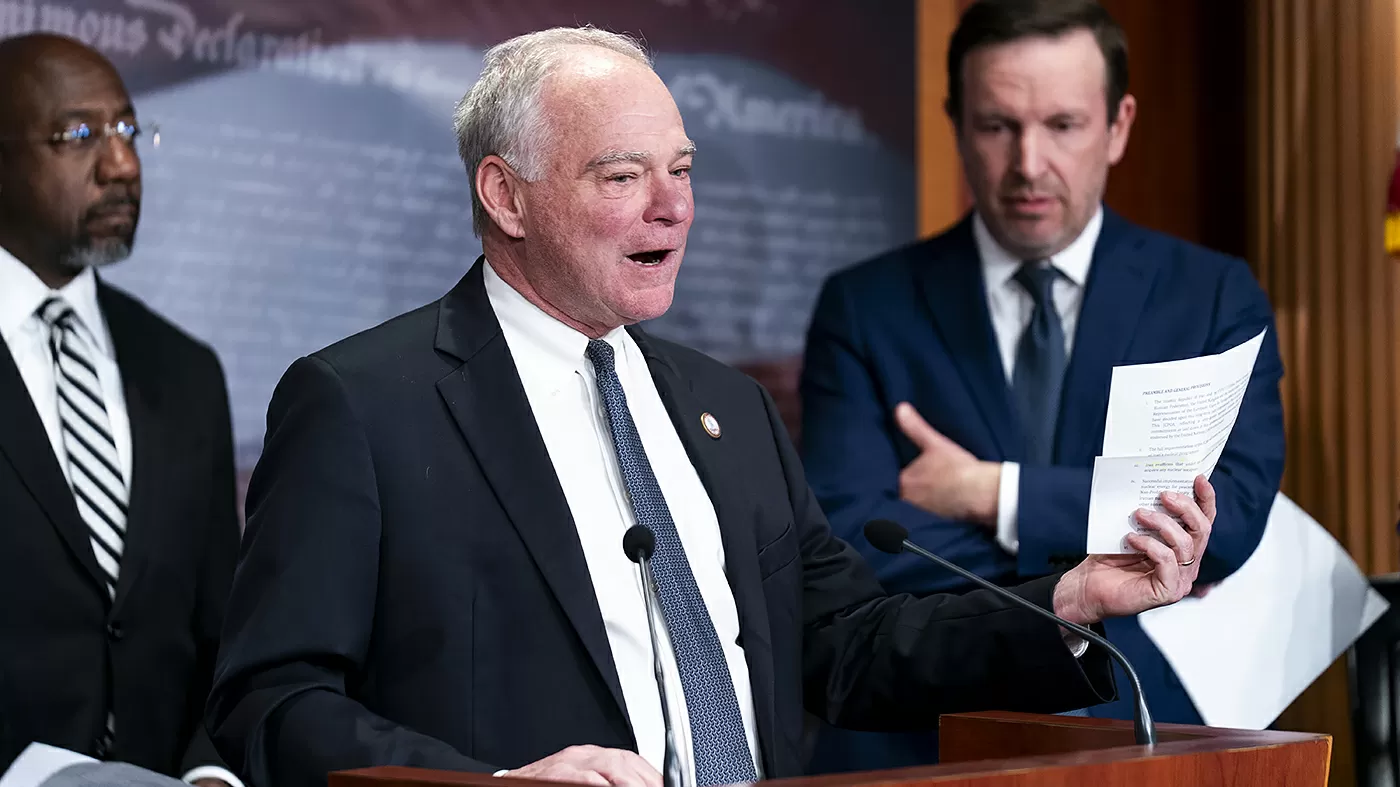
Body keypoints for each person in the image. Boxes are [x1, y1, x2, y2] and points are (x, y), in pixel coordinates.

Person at [205, 26, 1217, 787]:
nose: (674, 206)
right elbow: (273, 701)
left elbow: (848, 644)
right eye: (623, 175)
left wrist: (1069, 600)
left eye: (681, 170)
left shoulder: (724, 407)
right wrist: (491, 786)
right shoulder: (363, 405)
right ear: (506, 197)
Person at [798, 0, 1285, 772]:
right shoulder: (864, 306)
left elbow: (1228, 522)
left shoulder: (1211, 297)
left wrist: (997, 495)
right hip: (925, 733)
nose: (1028, 163)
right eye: (998, 126)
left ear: (1118, 126)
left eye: (1063, 125)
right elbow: (855, 545)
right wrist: (1088, 577)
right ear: (958, 125)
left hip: (1141, 732)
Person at [0, 34, 241, 787]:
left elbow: (222, 634)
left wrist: (209, 772)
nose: (122, 165)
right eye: (78, 135)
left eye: (129, 131)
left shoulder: (184, 372)